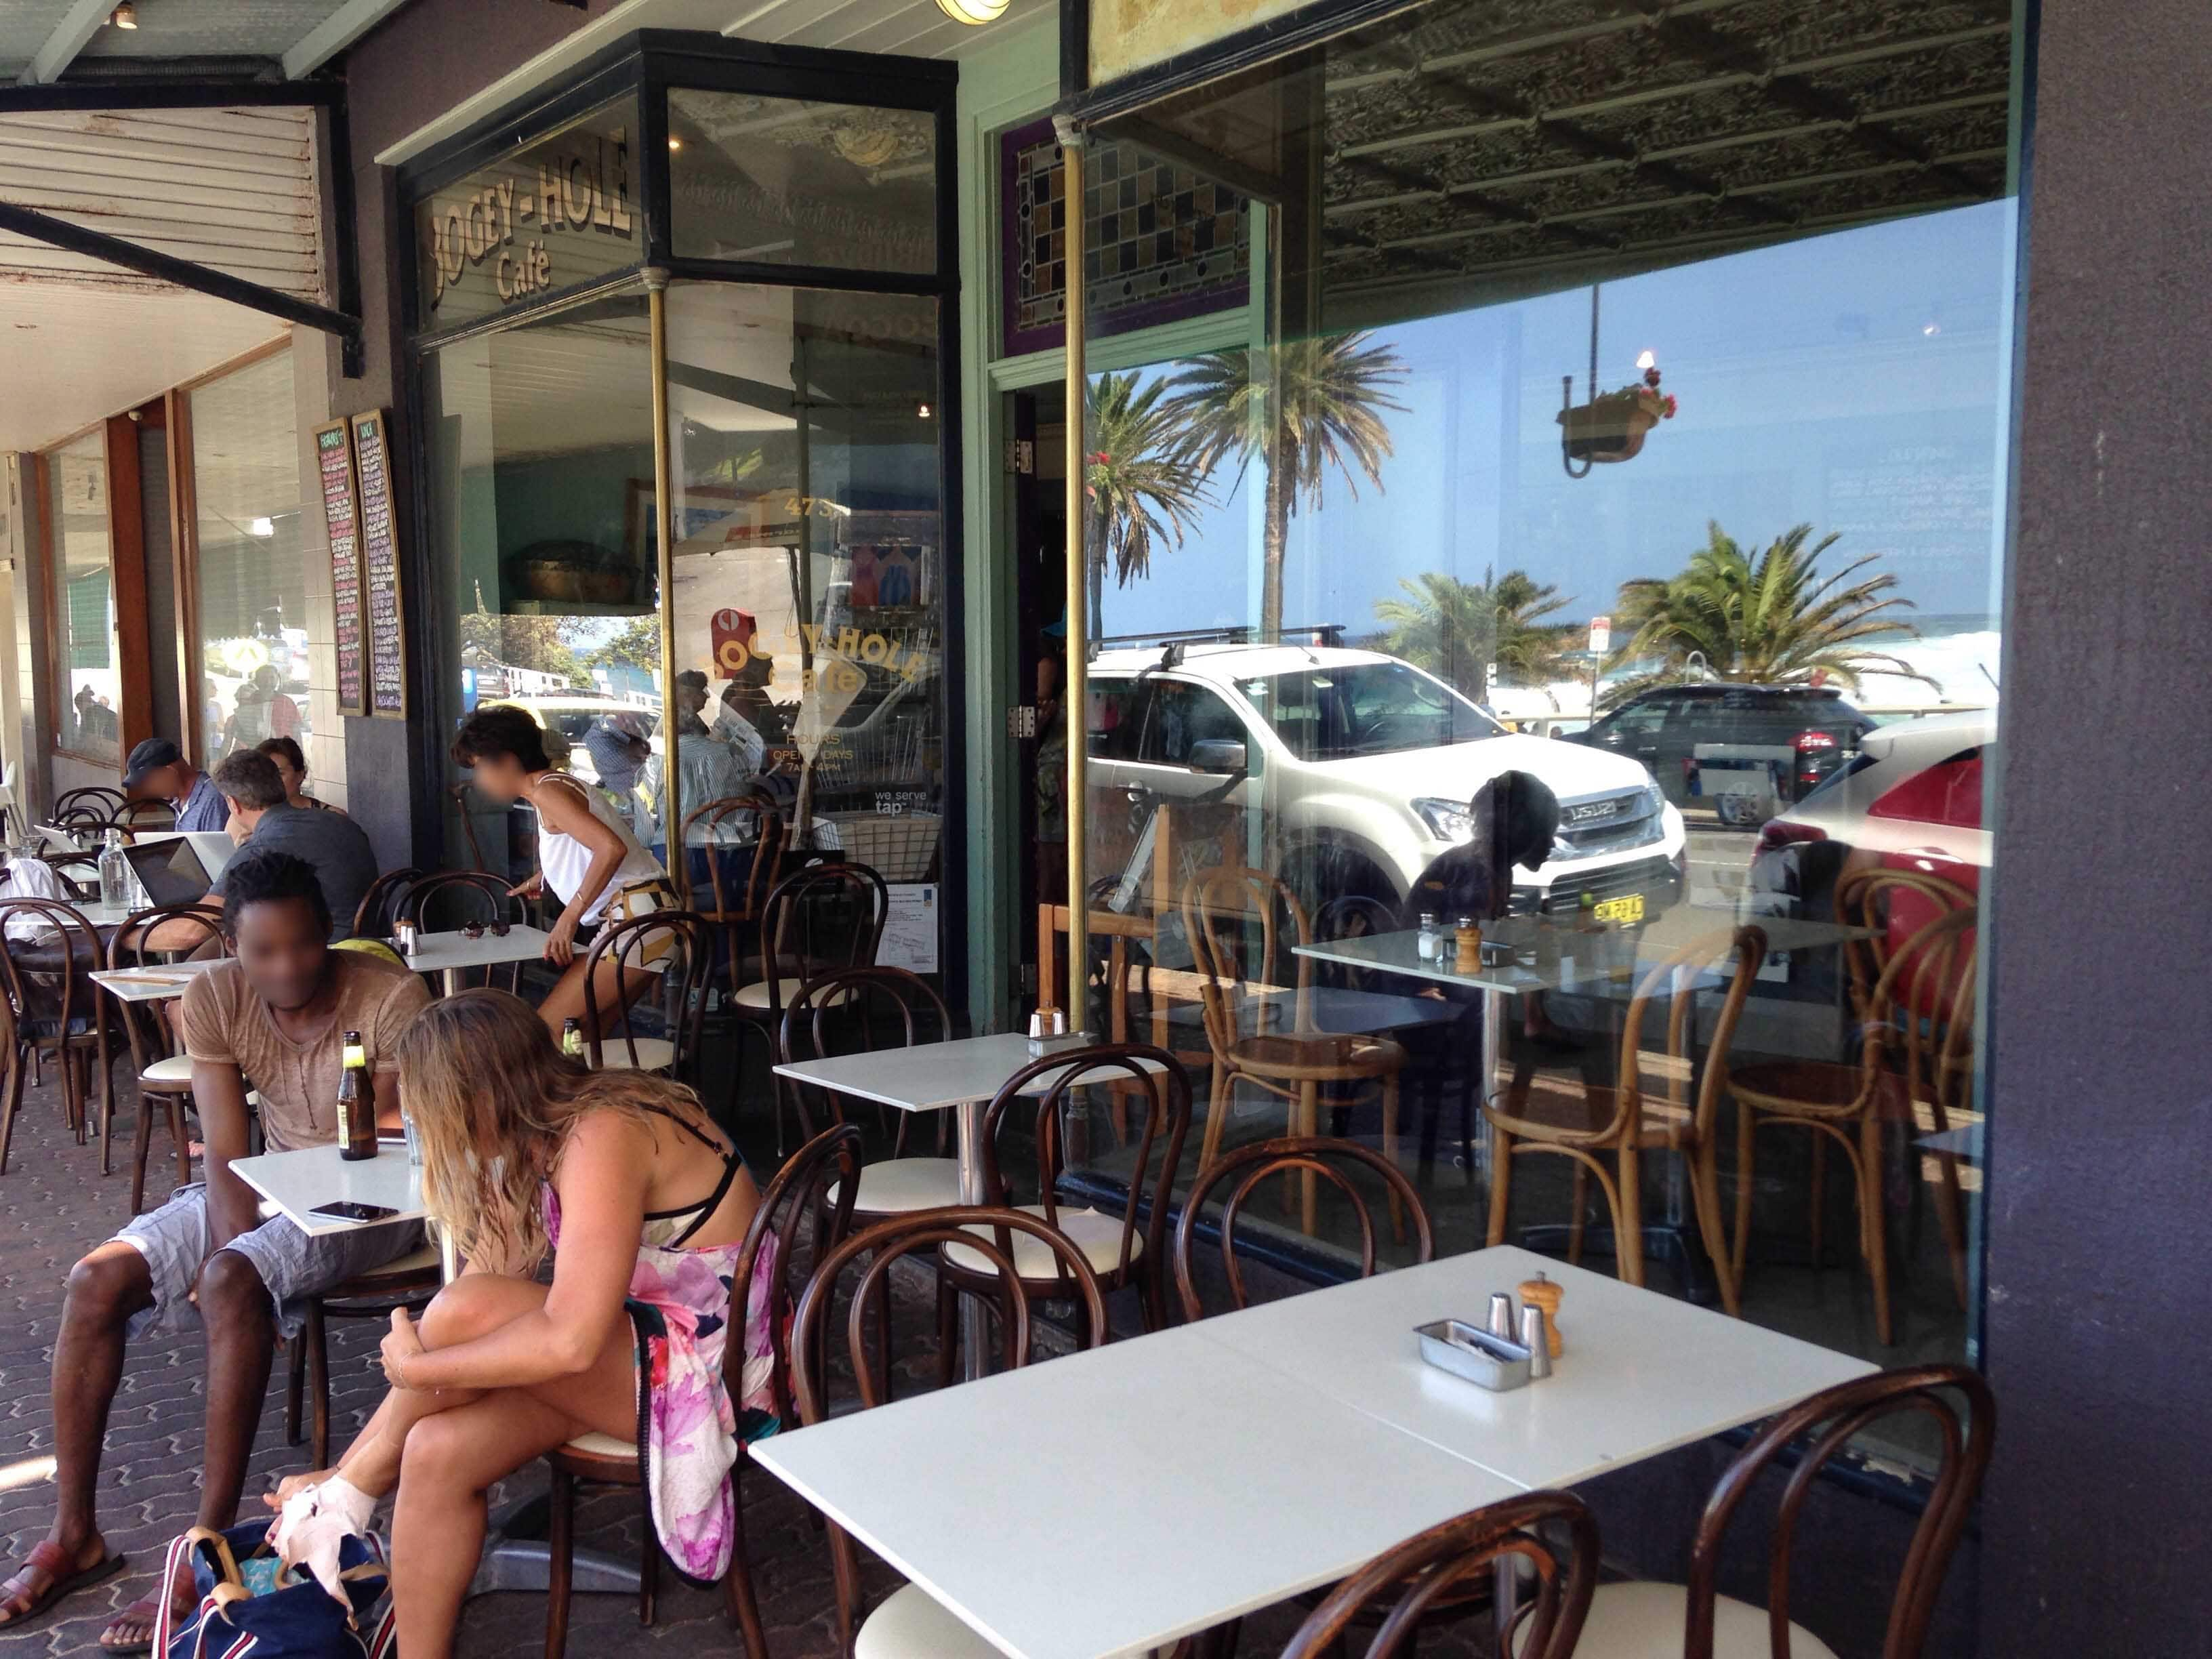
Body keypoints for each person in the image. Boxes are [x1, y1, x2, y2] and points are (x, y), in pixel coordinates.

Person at [258, 990, 771, 1659]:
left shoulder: (602, 1134)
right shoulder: (558, 1123)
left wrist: (417, 1369)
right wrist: (425, 1379)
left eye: (436, 1112)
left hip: (717, 1373)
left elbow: (569, 1339)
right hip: (646, 1343)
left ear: (481, 1097)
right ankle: (365, 1528)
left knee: (461, 1313)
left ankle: (346, 1495)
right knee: (436, 1450)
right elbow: (495, 1275)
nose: (433, 1130)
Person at [0, 853, 432, 1646]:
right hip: (264, 1183)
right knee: (95, 1283)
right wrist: (238, 1262)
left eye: (301, 945)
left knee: (233, 1277)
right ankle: (74, 1535)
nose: (286, 966)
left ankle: (207, 1554)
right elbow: (228, 1152)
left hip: (373, 1201)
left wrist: (238, 1274)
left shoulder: (389, 996)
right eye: (262, 951)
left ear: (327, 934)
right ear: (233, 944)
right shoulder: (214, 996)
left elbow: (393, 1147)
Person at [449, 703, 672, 1042]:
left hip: (636, 918)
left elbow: (611, 849)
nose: (478, 781)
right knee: (584, 1039)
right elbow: (586, 844)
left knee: (546, 1034)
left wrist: (568, 918)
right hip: (653, 915)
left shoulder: (547, 792)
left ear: (508, 761)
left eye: (479, 768)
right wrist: (548, 875)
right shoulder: (554, 786)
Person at [156, 752, 377, 946]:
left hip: (323, 958)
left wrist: (125, 937)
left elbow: (191, 932)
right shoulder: (339, 821)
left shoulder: (262, 847)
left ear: (233, 804)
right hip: (381, 946)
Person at [123, 736, 228, 832]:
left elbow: (217, 852)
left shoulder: (213, 799)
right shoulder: (182, 801)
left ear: (170, 772)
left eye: (147, 782)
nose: (147, 790)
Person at [255, 736, 342, 813]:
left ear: (299, 775)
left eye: (279, 774)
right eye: (264, 774)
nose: (270, 781)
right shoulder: (251, 821)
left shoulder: (331, 817)